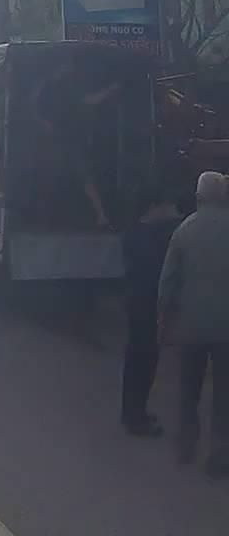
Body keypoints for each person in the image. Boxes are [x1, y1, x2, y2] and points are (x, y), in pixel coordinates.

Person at [157, 171, 229, 475]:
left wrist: (163, 321)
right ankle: (220, 452)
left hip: (190, 325)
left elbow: (167, 283)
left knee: (189, 388)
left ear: (198, 197)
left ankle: (186, 444)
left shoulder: (184, 231)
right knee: (224, 393)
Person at [120, 187, 184, 437]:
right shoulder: (149, 239)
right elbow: (158, 273)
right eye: (166, 206)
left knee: (138, 359)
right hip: (146, 305)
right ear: (154, 207)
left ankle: (133, 412)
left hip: (136, 304)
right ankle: (136, 417)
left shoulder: (135, 232)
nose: (171, 211)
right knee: (144, 360)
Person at [29, 61, 122, 229]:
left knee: (80, 176)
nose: (70, 69)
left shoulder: (58, 86)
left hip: (68, 139)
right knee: (65, 176)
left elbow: (87, 101)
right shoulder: (51, 86)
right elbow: (89, 100)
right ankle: (43, 216)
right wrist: (110, 90)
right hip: (60, 140)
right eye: (68, 65)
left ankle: (100, 215)